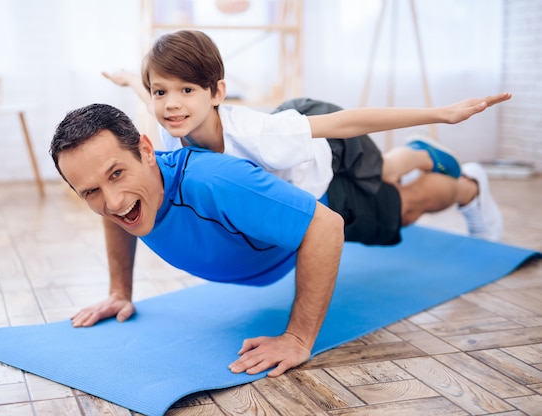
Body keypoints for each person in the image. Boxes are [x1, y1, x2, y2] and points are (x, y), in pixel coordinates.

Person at [102, 29, 510, 243]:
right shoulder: (172, 129)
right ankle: (420, 154)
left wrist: (441, 112)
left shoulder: (258, 132)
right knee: (382, 175)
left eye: (186, 90)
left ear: (217, 94)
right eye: (161, 92)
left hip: (324, 141)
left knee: (384, 181)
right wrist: (129, 81)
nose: (170, 104)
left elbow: (348, 123)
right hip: (296, 147)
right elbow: (150, 96)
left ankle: (439, 164)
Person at [51, 103, 345, 378]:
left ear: (146, 150)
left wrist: (297, 339)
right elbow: (114, 209)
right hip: (279, 179)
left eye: (117, 174)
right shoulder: (126, 198)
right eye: (91, 192)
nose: (113, 201)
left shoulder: (212, 181)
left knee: (389, 194)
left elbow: (326, 227)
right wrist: (119, 292)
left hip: (336, 166)